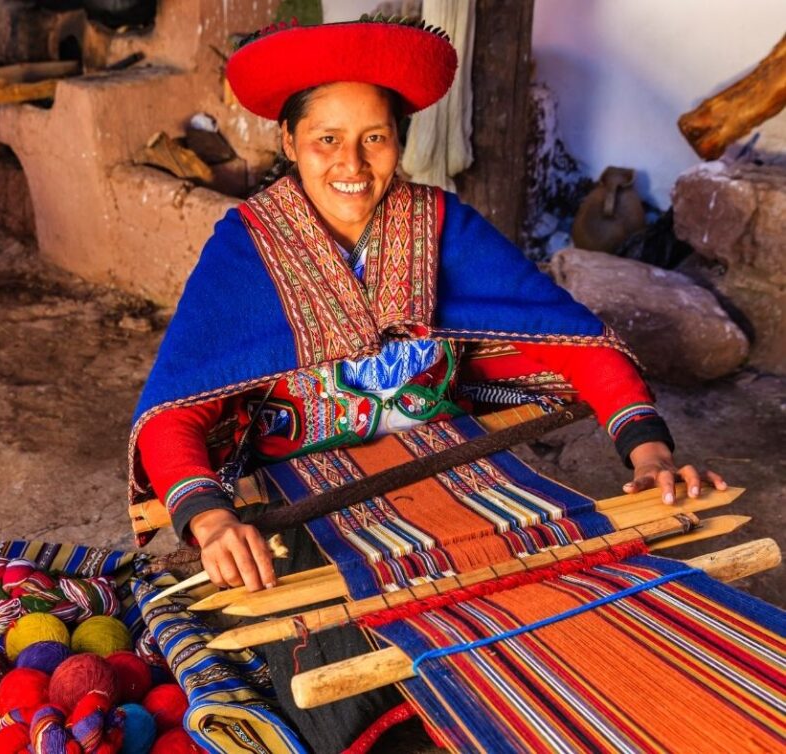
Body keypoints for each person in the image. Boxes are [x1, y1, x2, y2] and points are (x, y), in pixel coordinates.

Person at [128, 16, 726, 751]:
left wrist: (648, 450)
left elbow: (575, 343)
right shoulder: (247, 250)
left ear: (401, 141)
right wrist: (212, 518)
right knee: (365, 690)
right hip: (310, 506)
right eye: (326, 139)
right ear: (288, 142)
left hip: (461, 487)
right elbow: (172, 413)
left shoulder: (440, 225)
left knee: (580, 639)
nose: (352, 163)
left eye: (374, 137)